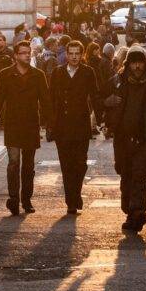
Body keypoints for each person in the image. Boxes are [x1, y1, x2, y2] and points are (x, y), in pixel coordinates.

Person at [104, 47, 146, 233]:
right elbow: (101, 101)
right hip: (123, 139)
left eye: (140, 62)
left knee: (140, 175)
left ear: (145, 64)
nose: (137, 66)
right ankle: (129, 210)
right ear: (127, 64)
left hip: (145, 139)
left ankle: (138, 212)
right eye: (133, 63)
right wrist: (106, 104)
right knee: (126, 175)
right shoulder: (117, 82)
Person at [0, 40, 52, 215]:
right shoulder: (5, 75)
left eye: (28, 52)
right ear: (15, 55)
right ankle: (14, 199)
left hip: (31, 125)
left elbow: (46, 102)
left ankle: (27, 200)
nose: (26, 55)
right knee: (13, 163)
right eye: (22, 52)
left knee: (28, 166)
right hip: (13, 125)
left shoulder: (38, 75)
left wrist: (50, 124)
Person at [47, 41, 101, 215]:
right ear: (66, 55)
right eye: (71, 53)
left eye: (78, 53)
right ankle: (71, 200)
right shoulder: (57, 72)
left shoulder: (88, 72)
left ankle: (76, 193)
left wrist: (100, 120)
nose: (74, 56)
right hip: (62, 126)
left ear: (82, 54)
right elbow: (51, 99)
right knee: (66, 164)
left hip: (81, 124)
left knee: (80, 163)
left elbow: (95, 96)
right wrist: (49, 123)